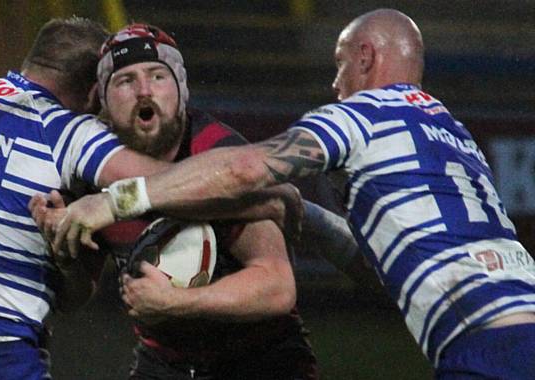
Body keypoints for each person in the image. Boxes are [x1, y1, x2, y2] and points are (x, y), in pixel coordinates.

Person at [46, 9, 535, 379]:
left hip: (486, 340)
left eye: (340, 65)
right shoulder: (450, 131)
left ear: (364, 58)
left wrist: (116, 201)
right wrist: (310, 215)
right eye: (126, 81)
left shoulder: (361, 115)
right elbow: (385, 271)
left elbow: (242, 171)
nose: (334, 82)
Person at [0, 16, 178, 379]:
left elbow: (69, 295)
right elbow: (166, 185)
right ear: (96, 92)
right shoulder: (65, 130)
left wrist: (66, 259)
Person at [85, 23, 321, 379]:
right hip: (166, 361)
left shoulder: (218, 153)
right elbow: (76, 293)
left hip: (260, 358)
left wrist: (172, 303)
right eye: (125, 81)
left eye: (158, 76)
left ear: (181, 89)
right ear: (104, 102)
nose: (144, 91)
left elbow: (277, 286)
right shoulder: (91, 164)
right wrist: (62, 246)